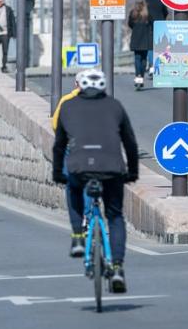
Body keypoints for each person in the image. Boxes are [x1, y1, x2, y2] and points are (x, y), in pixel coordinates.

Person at [52, 70, 139, 293]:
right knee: (115, 215)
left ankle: (78, 237)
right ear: (102, 86)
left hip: (80, 166)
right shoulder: (115, 106)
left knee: (73, 190)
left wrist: (57, 173)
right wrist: (132, 172)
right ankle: (118, 267)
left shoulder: (68, 106)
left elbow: (59, 145)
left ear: (79, 86)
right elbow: (130, 143)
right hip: (111, 168)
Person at [51, 76, 91, 258]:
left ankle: (78, 218)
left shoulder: (66, 100)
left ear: (76, 84)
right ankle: (88, 217)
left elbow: (54, 124)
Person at [144, 0, 168, 77]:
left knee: (150, 47)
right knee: (160, 46)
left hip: (148, 25)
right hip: (160, 24)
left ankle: (151, 66)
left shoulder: (145, 0)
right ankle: (159, 64)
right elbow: (165, 12)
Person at [127, 0, 152, 90]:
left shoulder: (133, 13)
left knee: (137, 58)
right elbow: (152, 24)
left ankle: (138, 76)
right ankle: (141, 77)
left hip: (136, 38)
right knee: (144, 58)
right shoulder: (147, 14)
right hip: (146, 38)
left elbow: (130, 24)